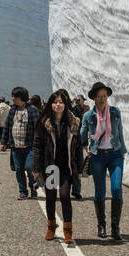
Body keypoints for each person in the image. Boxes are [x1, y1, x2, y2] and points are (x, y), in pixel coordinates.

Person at [34, 89, 84, 244]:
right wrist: (36, 168)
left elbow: (78, 147)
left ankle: (68, 231)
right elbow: (37, 146)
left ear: (66, 104)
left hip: (65, 166)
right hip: (50, 166)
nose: (58, 105)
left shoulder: (73, 122)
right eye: (55, 102)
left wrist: (79, 169)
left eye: (61, 102)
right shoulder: (44, 122)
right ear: (51, 104)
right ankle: (51, 226)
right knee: (50, 197)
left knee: (64, 196)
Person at [82, 81, 127, 241]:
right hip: (97, 156)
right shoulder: (88, 115)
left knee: (116, 189)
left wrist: (123, 151)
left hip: (115, 154)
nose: (102, 99)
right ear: (94, 98)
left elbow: (119, 132)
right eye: (99, 96)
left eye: (104, 96)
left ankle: (115, 228)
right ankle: (101, 226)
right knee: (100, 192)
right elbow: (83, 135)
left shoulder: (115, 112)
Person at [1, 87, 39, 199]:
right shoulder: (12, 110)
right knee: (18, 169)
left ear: (21, 98)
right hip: (15, 146)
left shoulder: (32, 110)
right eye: (12, 96)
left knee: (29, 168)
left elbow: (38, 128)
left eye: (15, 96)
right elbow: (7, 126)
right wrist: (4, 142)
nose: (12, 98)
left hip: (29, 146)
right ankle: (23, 192)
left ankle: (34, 188)